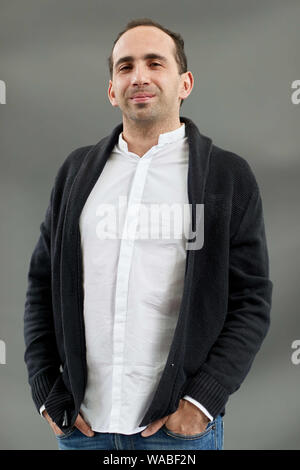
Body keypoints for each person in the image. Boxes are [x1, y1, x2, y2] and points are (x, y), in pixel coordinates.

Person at [23, 18, 273, 451]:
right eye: (125, 67)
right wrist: (47, 392)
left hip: (177, 435)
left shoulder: (227, 177)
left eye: (155, 63)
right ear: (111, 90)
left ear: (185, 83)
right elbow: (41, 287)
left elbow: (252, 300)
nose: (139, 76)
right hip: (84, 430)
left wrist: (201, 403)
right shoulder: (76, 173)